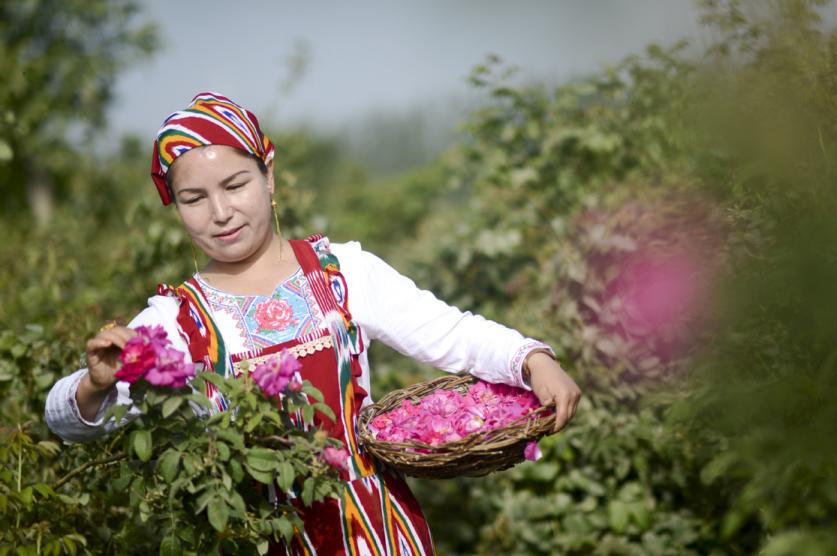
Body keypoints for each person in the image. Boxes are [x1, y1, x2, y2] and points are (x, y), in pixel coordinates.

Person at [45, 91, 581, 555]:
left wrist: (530, 358)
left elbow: (450, 333)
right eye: (194, 199)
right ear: (176, 207)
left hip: (382, 532)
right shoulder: (177, 320)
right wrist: (96, 384)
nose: (221, 212)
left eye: (235, 185)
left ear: (268, 175)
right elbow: (64, 420)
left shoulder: (341, 271)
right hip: (261, 535)